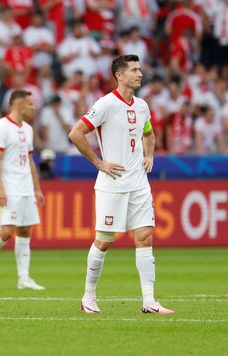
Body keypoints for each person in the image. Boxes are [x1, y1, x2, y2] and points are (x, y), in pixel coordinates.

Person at [68, 54, 174, 314]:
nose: (140, 74)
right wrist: (99, 163)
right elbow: (76, 133)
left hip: (138, 182)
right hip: (112, 184)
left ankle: (149, 301)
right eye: (134, 70)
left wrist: (149, 155)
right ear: (119, 75)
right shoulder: (105, 104)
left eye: (140, 69)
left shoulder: (142, 106)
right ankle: (88, 297)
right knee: (104, 241)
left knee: (145, 236)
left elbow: (148, 134)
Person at [0, 90, 46, 291]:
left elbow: (30, 160)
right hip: (9, 186)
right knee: (6, 231)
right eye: (30, 104)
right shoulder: (1, 126)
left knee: (25, 230)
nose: (33, 108)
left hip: (26, 187)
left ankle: (24, 278)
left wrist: (37, 188)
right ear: (19, 105)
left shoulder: (28, 129)